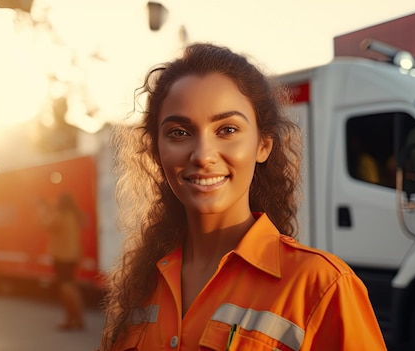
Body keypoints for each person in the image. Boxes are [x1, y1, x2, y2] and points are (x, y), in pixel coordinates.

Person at [100, 43, 388, 350]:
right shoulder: (142, 283)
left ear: (263, 145)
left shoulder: (322, 288)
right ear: (157, 150)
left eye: (227, 129)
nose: (203, 155)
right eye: (179, 133)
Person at [41, 193, 86, 331]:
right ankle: (77, 318)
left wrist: (44, 210)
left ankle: (70, 318)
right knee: (71, 286)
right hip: (73, 256)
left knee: (65, 288)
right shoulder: (74, 216)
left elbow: (46, 225)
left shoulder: (60, 216)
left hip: (62, 257)